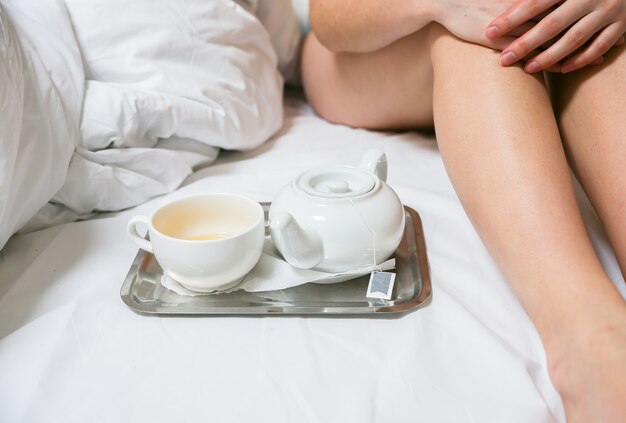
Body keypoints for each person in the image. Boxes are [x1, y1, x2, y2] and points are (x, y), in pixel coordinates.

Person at [300, 0, 626, 421]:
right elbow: (330, 20)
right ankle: (589, 340)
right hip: (371, 47)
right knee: (485, 36)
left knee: (593, 40)